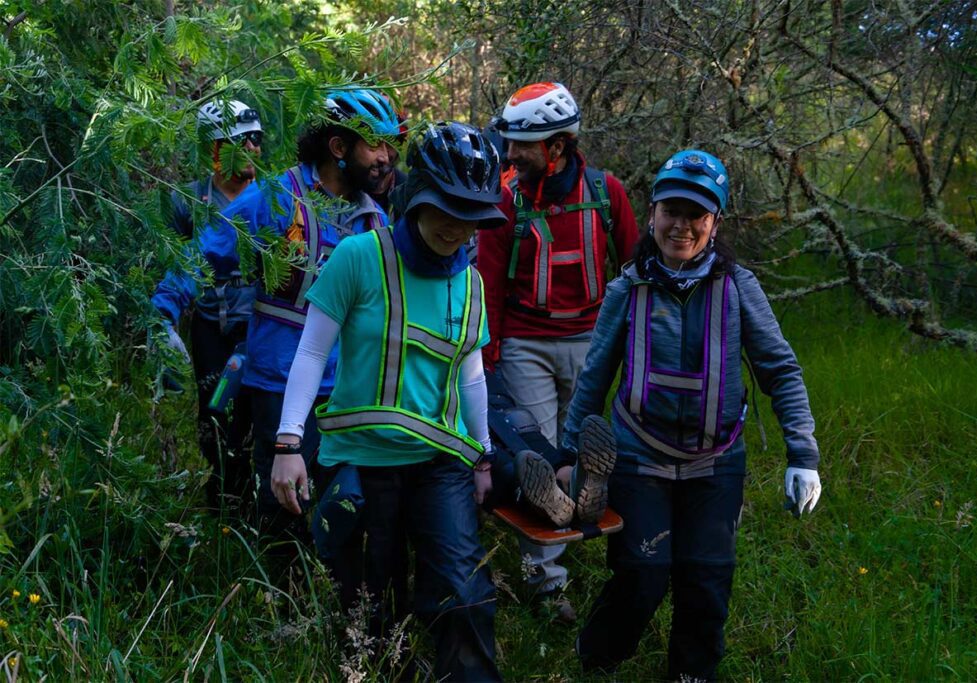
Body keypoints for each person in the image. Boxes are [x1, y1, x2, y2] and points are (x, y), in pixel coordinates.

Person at [564, 150, 823, 680]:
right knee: (642, 574)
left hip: (716, 463)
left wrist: (804, 454)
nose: (681, 226)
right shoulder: (627, 288)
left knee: (706, 581)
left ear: (715, 221)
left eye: (696, 215)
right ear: (653, 212)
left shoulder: (739, 287)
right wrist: (571, 456)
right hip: (639, 456)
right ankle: (596, 662)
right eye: (671, 212)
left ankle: (691, 674)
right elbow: (593, 377)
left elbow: (780, 369)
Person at [272, 121, 506, 681]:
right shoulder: (359, 257)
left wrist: (484, 456)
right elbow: (310, 355)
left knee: (464, 593)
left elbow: (471, 377)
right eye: (447, 208)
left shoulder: (470, 283)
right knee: (372, 609)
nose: (459, 227)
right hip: (363, 462)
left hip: (441, 465)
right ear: (417, 195)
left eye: (472, 214)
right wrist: (287, 443)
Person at [153, 89, 398, 554]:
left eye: (389, 146)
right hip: (278, 383)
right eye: (374, 145)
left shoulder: (373, 218)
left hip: (345, 389)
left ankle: (336, 599)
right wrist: (163, 315)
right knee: (283, 505)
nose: (385, 158)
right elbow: (205, 252)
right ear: (339, 147)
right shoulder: (277, 198)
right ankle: (268, 599)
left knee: (345, 504)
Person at [476, 81, 639, 618]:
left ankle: (579, 518)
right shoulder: (505, 199)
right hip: (526, 344)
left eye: (522, 145)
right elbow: (490, 282)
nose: (511, 155)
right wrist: (490, 357)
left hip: (593, 344)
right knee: (538, 454)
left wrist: (635, 348)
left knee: (578, 450)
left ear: (558, 147)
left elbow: (637, 272)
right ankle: (547, 583)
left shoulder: (606, 192)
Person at [152, 99, 263, 508]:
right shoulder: (189, 201)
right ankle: (224, 487)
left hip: (257, 325)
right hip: (210, 322)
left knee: (256, 411)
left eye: (256, 139)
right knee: (213, 410)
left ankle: (253, 494)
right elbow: (181, 263)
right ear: (215, 149)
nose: (253, 148)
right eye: (242, 141)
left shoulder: (272, 199)